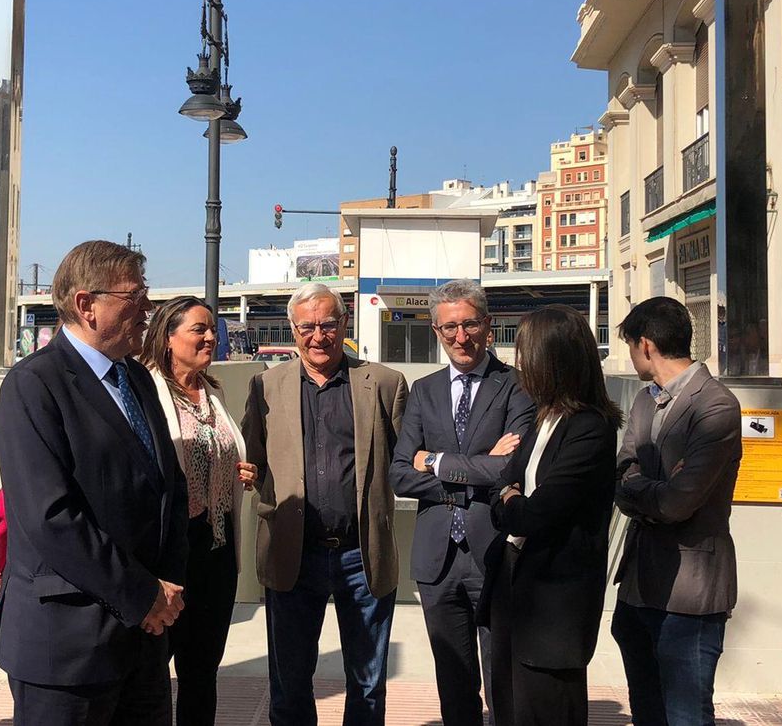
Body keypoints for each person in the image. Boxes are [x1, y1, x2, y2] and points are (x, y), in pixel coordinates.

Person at [0, 240, 188, 725]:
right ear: (85, 305)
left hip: (144, 641)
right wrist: (143, 595)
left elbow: (168, 491)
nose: (147, 311)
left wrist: (167, 598)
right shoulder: (34, 385)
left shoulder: (136, 379)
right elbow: (50, 518)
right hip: (68, 649)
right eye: (134, 299)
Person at [241, 282, 409, 726]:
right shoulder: (265, 386)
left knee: (368, 684)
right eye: (307, 327)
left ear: (345, 324)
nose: (318, 336)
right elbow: (251, 460)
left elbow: (408, 462)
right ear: (292, 330)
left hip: (362, 554)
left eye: (328, 324)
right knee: (290, 683)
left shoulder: (385, 384)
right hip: (293, 555)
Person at [389, 280, 535, 726]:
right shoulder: (424, 390)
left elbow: (509, 470)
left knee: (502, 682)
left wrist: (434, 462)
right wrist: (473, 471)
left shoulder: (516, 386)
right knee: (454, 685)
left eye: (470, 324)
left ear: (488, 326)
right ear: (435, 330)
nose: (460, 336)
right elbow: (399, 474)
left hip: (494, 553)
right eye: (449, 326)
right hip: (437, 560)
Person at [610, 297, 743, 726]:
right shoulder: (646, 400)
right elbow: (623, 473)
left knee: (686, 714)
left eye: (630, 347)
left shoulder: (716, 405)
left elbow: (679, 502)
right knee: (647, 710)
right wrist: (655, 488)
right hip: (639, 585)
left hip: (691, 592)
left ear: (645, 345)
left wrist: (647, 492)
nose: (632, 357)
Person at [483, 305, 618, 726]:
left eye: (526, 353)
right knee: (508, 708)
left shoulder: (589, 428)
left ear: (554, 359)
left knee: (546, 711)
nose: (518, 363)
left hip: (553, 612)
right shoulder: (542, 417)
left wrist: (510, 499)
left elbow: (536, 513)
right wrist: (508, 497)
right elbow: (498, 483)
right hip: (512, 594)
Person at [140, 295, 258, 726]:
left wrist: (240, 472)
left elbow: (217, 452)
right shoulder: (146, 390)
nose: (211, 337)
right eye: (199, 329)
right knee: (152, 670)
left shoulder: (213, 391)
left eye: (213, 329)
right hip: (172, 553)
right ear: (168, 338)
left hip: (217, 550)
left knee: (202, 671)